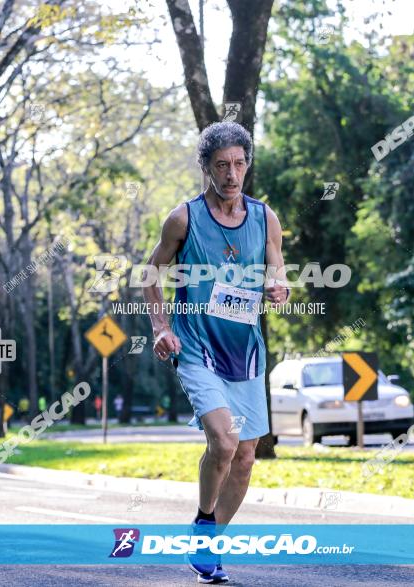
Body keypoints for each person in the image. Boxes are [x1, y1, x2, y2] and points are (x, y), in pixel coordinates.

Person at [144, 121, 289, 584]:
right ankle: (204, 519)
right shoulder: (183, 218)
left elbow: (276, 264)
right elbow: (152, 272)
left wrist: (277, 283)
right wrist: (161, 327)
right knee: (223, 442)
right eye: (222, 165)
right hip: (195, 347)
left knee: (245, 456)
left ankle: (211, 546)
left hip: (244, 352)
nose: (232, 174)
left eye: (239, 164)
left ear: (248, 164)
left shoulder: (265, 217)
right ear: (206, 167)